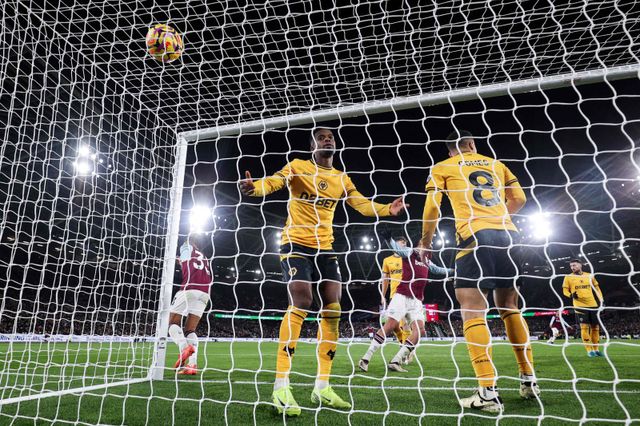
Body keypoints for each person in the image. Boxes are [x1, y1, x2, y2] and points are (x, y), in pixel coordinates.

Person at [239, 127, 408, 416]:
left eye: (330, 136)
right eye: (321, 137)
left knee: (333, 308)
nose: (327, 139)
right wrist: (255, 188)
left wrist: (386, 209)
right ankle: (281, 386)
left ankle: (322, 386)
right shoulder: (298, 166)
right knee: (302, 301)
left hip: (325, 247)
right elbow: (275, 182)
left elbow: (359, 203)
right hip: (295, 244)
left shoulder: (341, 177)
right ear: (313, 146)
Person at [420, 130, 539, 413]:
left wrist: (425, 241)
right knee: (510, 307)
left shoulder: (443, 166)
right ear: (472, 144)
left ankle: (487, 391)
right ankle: (529, 380)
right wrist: (499, 217)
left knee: (472, 311)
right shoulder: (496, 164)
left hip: (474, 236)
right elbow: (519, 198)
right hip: (508, 235)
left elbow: (432, 206)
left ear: (450, 149)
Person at [359, 238, 452, 373]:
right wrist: (389, 239)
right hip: (402, 296)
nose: (431, 246)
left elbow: (438, 270)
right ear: (421, 244)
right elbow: (398, 249)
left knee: (420, 330)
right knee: (390, 326)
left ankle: (396, 361)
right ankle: (366, 358)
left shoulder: (427, 261)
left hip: (416, 301)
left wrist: (452, 270)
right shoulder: (410, 252)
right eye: (429, 244)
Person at [168, 237, 212, 375]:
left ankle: (184, 348)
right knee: (190, 330)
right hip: (205, 293)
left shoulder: (186, 246)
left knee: (172, 323)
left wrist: (178, 260)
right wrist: (181, 261)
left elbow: (186, 266)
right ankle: (192, 365)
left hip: (190, 288)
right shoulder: (205, 257)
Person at [562, 259, 604, 357]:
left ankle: (596, 349)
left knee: (595, 328)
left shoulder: (589, 275)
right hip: (579, 306)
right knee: (584, 327)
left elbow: (597, 288)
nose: (572, 267)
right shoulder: (568, 277)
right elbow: (565, 291)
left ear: (580, 265)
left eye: (574, 265)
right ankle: (589, 350)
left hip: (593, 305)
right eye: (571, 266)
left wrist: (601, 300)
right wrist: (571, 295)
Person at [380, 236, 412, 344]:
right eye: (402, 242)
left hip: (406, 294)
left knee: (405, 323)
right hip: (393, 296)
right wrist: (382, 295)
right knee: (394, 326)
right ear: (394, 245)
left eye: (405, 242)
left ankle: (408, 350)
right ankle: (403, 343)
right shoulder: (387, 260)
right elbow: (385, 280)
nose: (404, 244)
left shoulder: (408, 258)